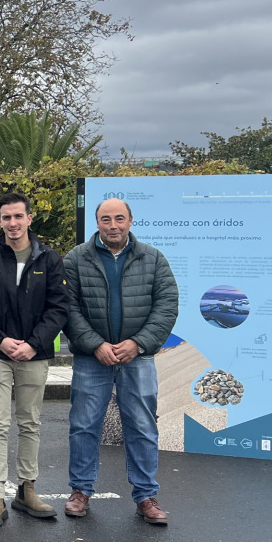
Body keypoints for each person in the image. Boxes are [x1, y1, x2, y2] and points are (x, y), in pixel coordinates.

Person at [63, 198, 179, 525]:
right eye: (105, 219)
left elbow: (167, 305)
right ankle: (80, 491)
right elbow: (67, 308)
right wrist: (95, 344)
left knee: (142, 426)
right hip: (92, 358)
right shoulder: (76, 259)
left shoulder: (153, 259)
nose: (112, 225)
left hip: (136, 357)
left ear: (130, 221)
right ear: (96, 223)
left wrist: (139, 343)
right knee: (84, 425)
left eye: (119, 219)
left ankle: (146, 496)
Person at [0, 192, 68, 527]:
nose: (12, 223)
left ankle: (27, 490)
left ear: (29, 218)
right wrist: (2, 340)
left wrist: (34, 344)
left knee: (30, 423)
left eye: (18, 216)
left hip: (34, 356)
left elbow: (59, 308)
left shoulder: (49, 260)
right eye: (6, 217)